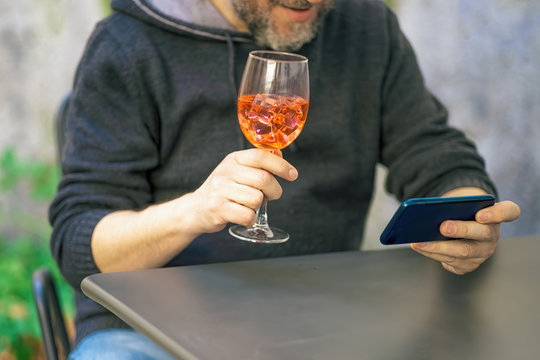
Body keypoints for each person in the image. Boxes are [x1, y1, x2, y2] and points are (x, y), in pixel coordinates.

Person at [49, 0, 520, 358]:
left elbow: (431, 149)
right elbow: (80, 243)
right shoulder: (127, 47)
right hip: (146, 334)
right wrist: (193, 211)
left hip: (319, 320)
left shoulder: (366, 27)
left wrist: (465, 214)